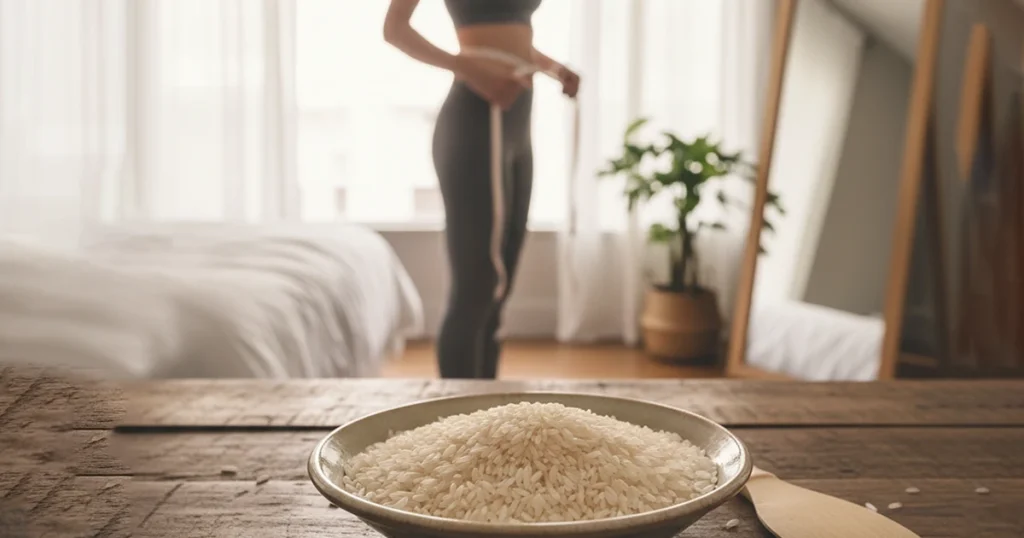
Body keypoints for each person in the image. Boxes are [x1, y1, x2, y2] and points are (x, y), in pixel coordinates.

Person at [384, 0, 580, 379]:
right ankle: (456, 413)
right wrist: (468, 66)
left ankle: (486, 408)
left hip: (517, 125)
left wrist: (554, 68)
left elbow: (512, 39)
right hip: (475, 120)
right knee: (477, 283)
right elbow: (395, 30)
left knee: (500, 285)